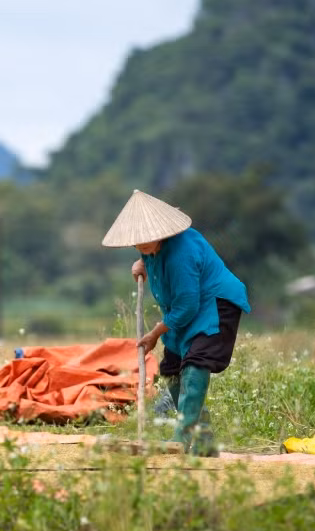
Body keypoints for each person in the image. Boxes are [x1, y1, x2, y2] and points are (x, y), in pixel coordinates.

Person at [101, 189, 250, 456]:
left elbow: (187, 306)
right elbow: (152, 257)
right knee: (171, 368)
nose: (141, 245)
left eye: (145, 241)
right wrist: (142, 262)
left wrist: (155, 333)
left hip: (214, 303)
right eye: (137, 243)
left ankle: (182, 438)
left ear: (161, 232)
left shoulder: (182, 253)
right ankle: (205, 443)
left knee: (195, 363)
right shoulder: (150, 248)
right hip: (185, 308)